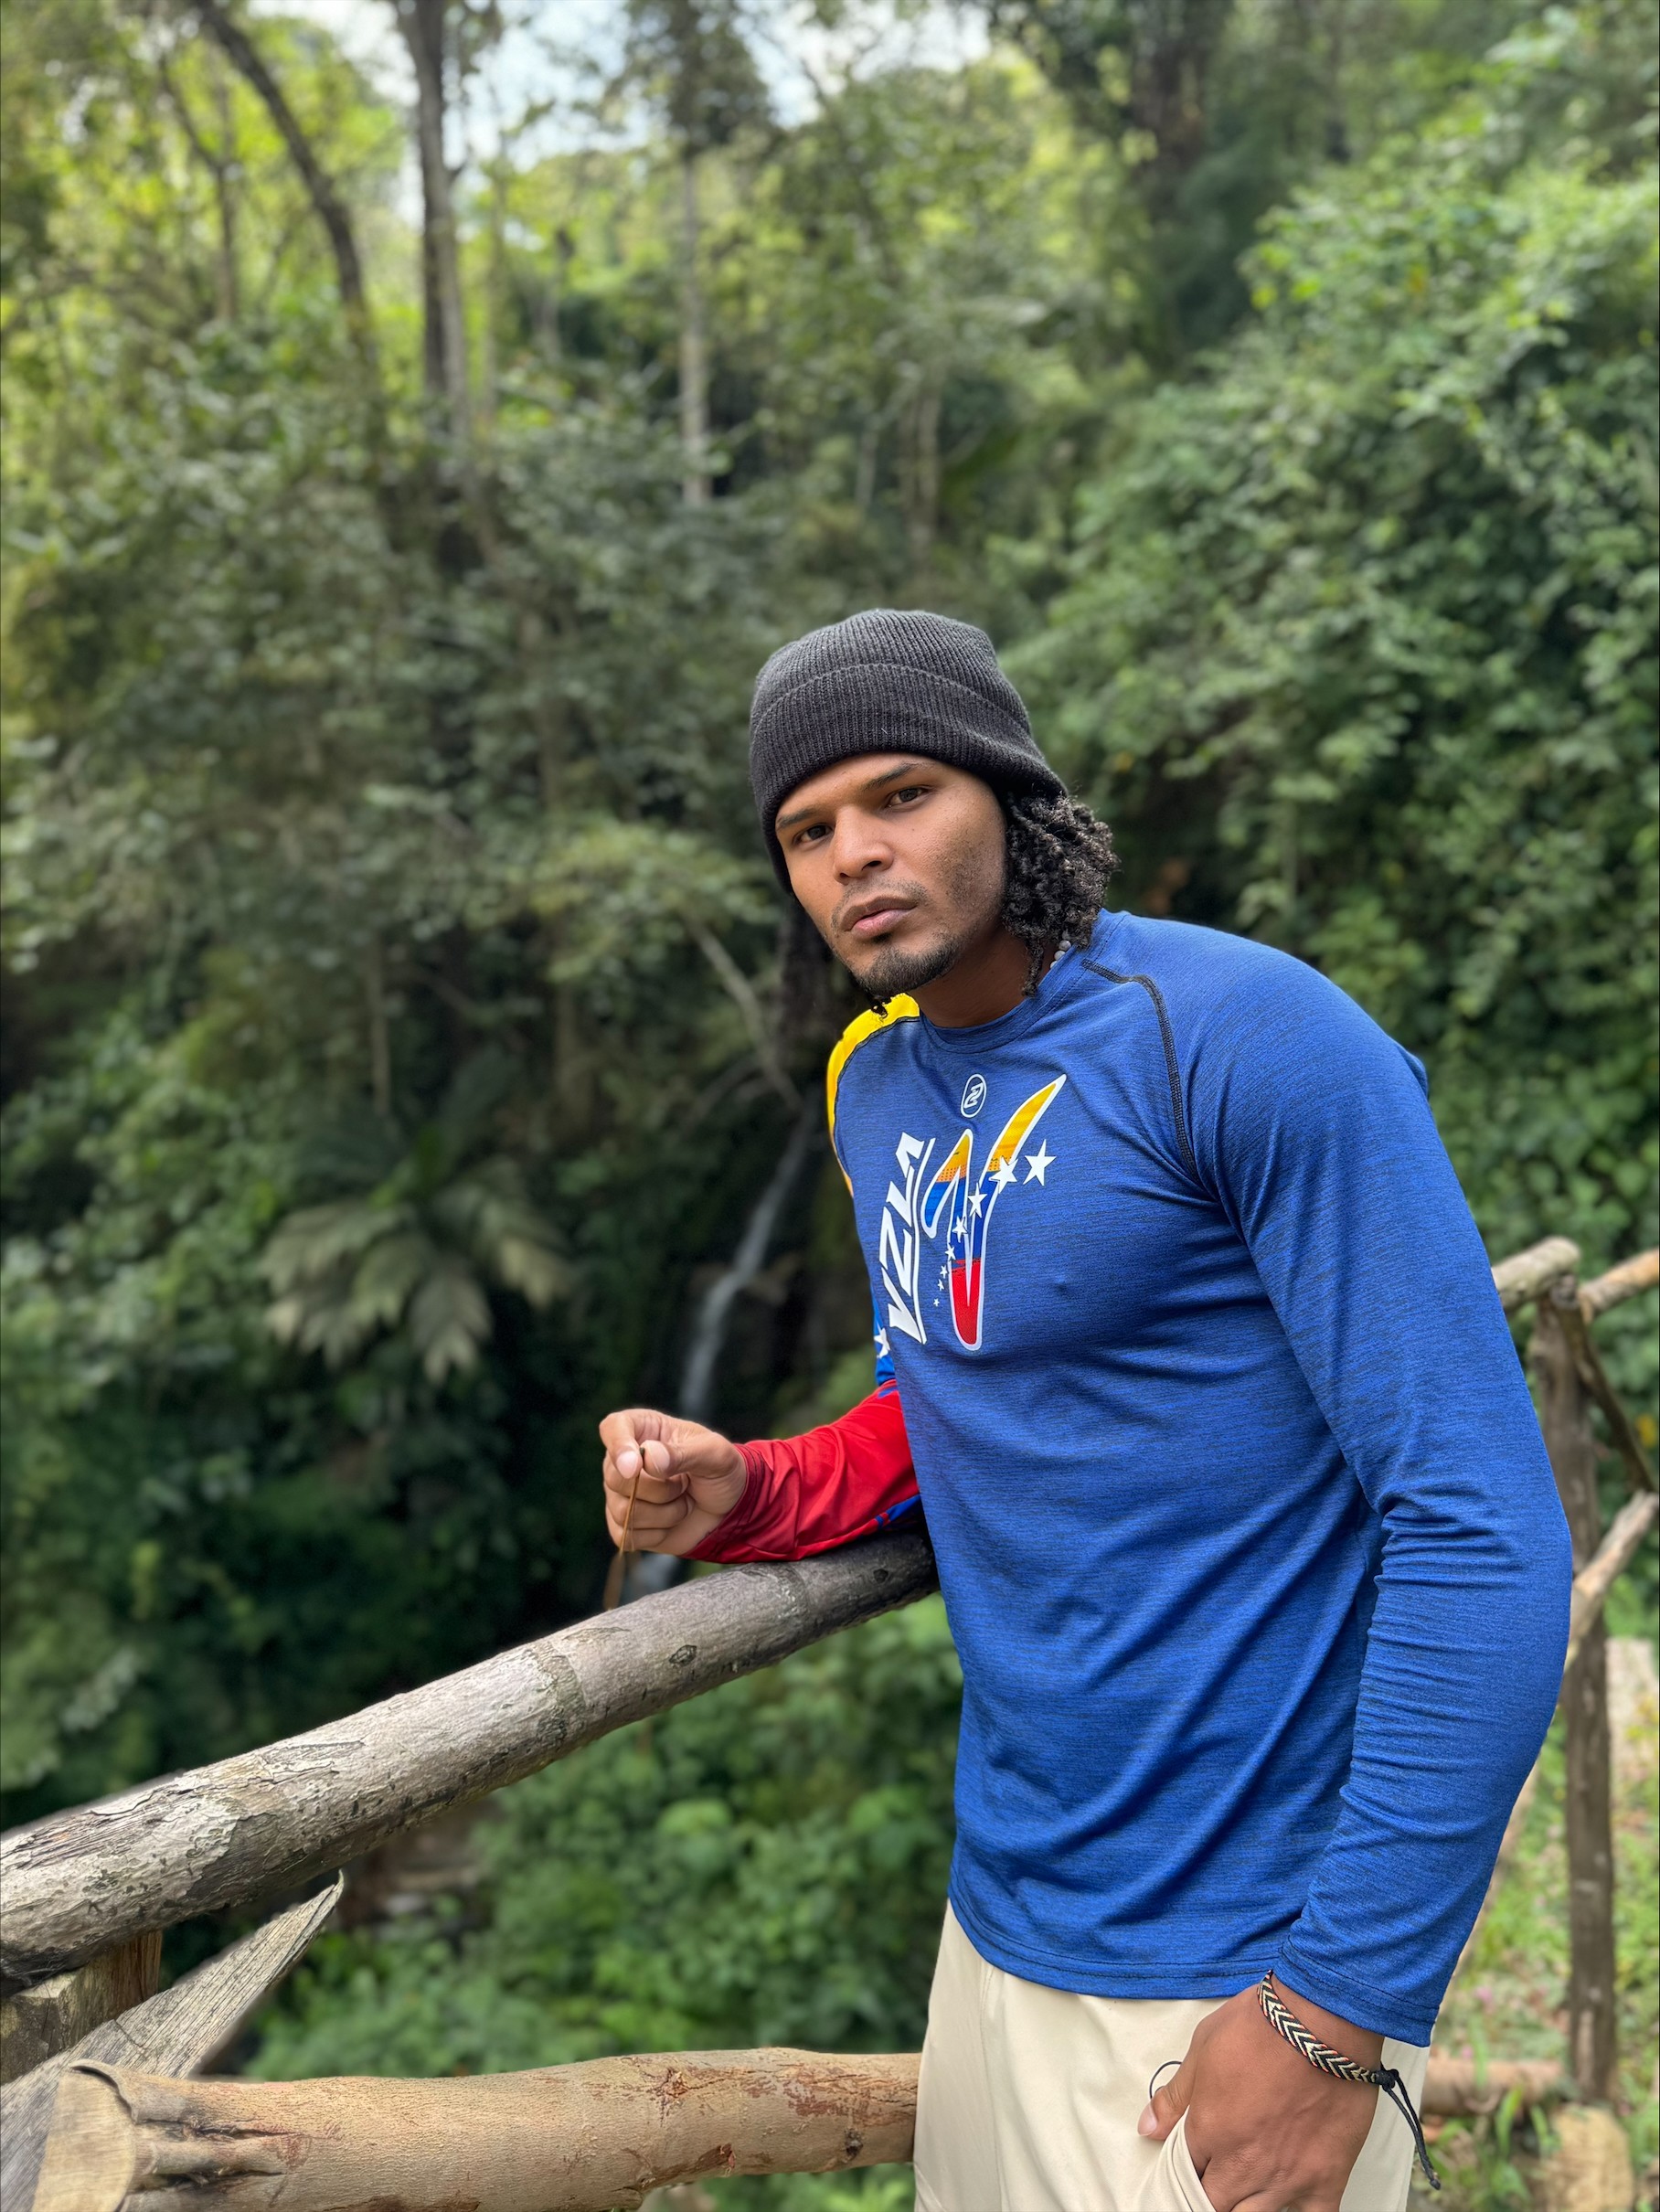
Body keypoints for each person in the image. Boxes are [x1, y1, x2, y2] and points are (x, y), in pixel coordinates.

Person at [598, 610, 1570, 2212]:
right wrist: (752, 1492)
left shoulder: (1247, 1038)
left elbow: (1483, 1529)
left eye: (901, 796)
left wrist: (1336, 2007)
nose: (855, 856)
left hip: (1244, 1969)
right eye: (808, 830)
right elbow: (954, 1393)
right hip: (1000, 1925)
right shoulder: (876, 1086)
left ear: (1008, 793)